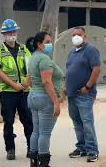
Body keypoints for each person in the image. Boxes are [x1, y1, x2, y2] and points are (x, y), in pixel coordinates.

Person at [0, 19, 33, 160]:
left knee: (28, 120)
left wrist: (27, 82)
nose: (11, 34)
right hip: (8, 92)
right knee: (8, 121)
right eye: (8, 32)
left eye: (13, 31)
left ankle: (31, 148)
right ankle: (10, 149)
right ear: (4, 34)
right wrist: (14, 85)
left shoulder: (23, 48)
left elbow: (30, 66)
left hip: (24, 92)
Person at [26, 31, 64, 167]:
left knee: (36, 131)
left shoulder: (33, 57)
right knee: (45, 133)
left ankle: (34, 161)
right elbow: (47, 82)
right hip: (44, 98)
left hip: (33, 96)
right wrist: (56, 102)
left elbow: (29, 80)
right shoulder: (44, 59)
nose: (50, 44)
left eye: (50, 41)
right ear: (39, 44)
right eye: (47, 42)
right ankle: (43, 163)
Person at [66, 26, 101, 162]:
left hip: (85, 94)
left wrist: (88, 86)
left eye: (79, 34)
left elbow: (96, 69)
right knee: (77, 122)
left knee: (87, 122)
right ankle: (82, 147)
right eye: (73, 35)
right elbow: (69, 70)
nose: (76, 37)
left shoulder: (90, 50)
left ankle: (92, 150)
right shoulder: (72, 52)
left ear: (84, 36)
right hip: (72, 94)